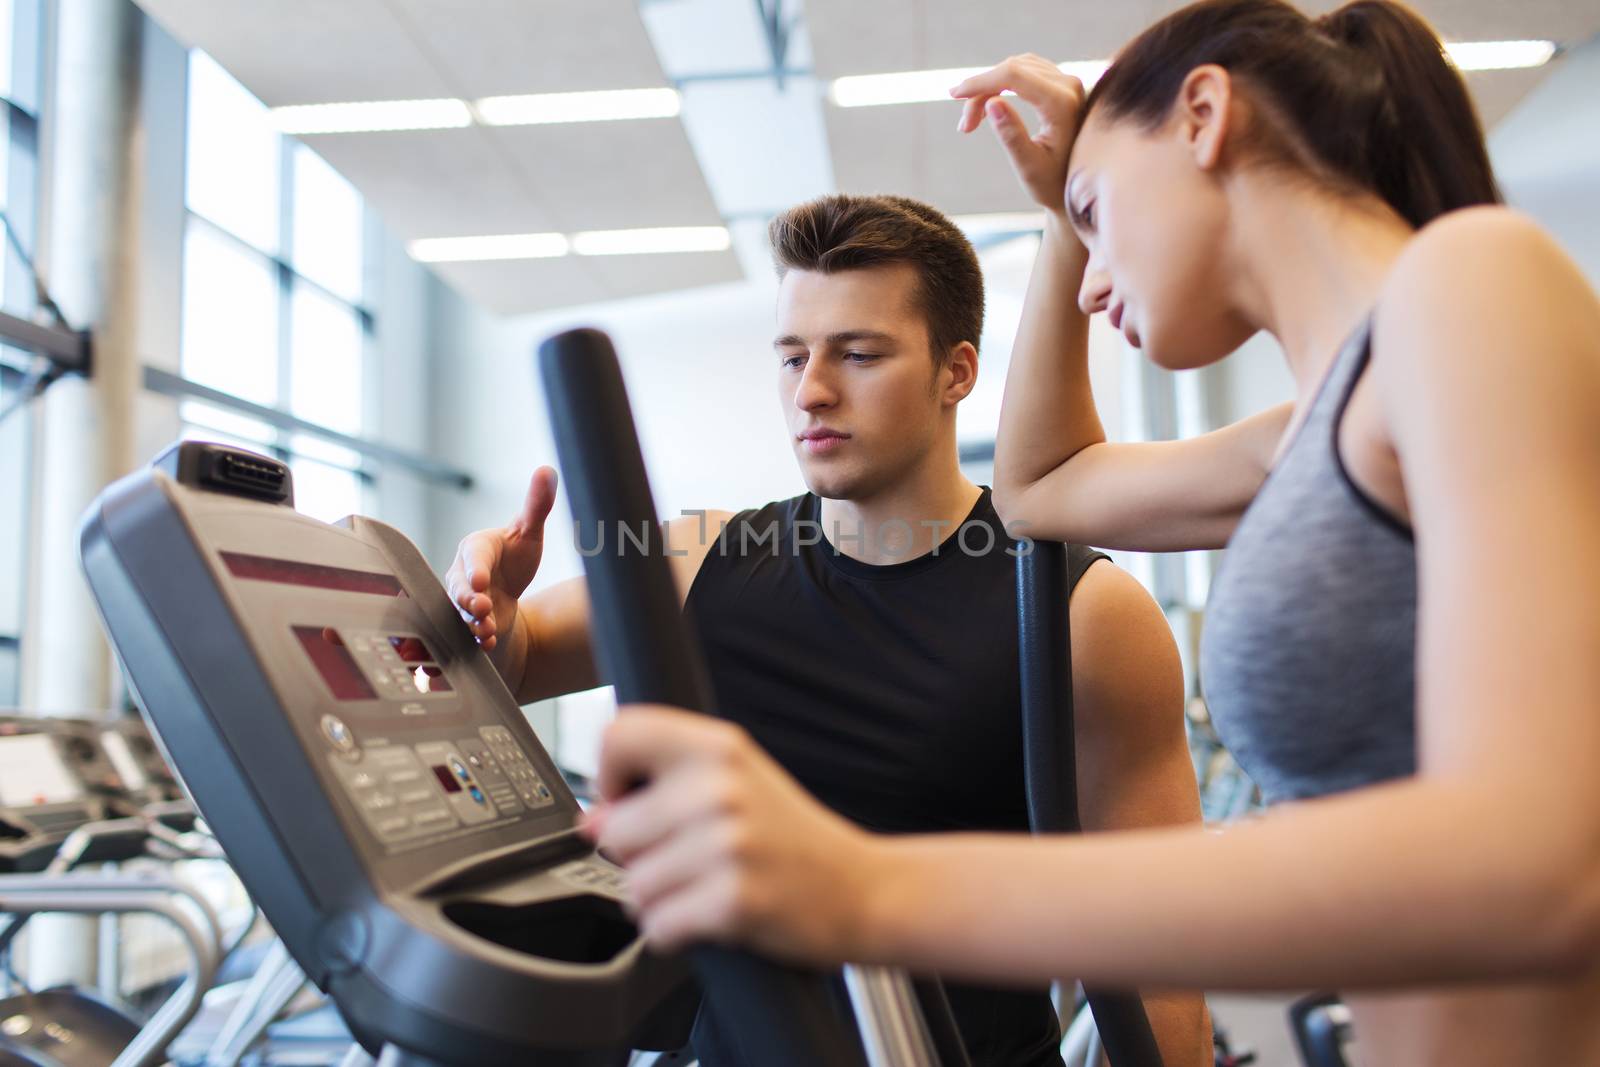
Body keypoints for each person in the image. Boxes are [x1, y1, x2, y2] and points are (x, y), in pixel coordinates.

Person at [583, 1, 1600, 1064]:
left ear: (1202, 115)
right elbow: (1041, 488)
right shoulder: (1312, 430)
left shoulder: (1470, 276)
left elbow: (1539, 863)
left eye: (1095, 213)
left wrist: (866, 883)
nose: (1097, 273)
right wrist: (1066, 215)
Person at [446, 195, 1211, 1065]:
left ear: (955, 372)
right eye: (792, 356)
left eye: (858, 353)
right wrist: (487, 610)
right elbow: (517, 658)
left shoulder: (1084, 612)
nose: (812, 390)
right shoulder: (702, 560)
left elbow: (1160, 958)